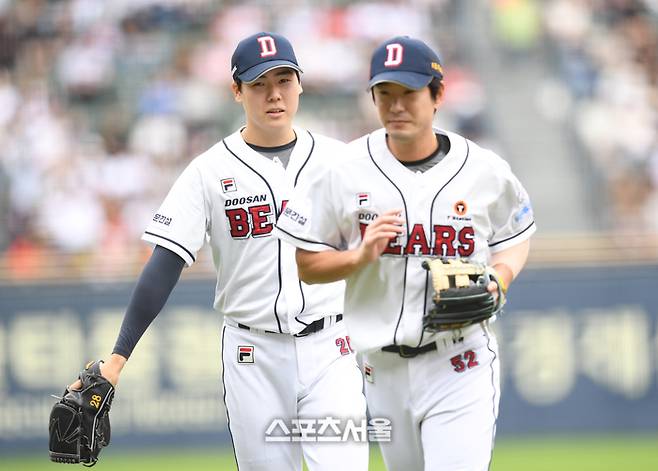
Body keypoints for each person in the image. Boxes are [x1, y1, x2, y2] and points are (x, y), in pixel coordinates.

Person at [69, 32, 368, 471]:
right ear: (236, 90)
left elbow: (384, 244)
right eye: (259, 83)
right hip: (253, 354)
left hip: (332, 348)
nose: (274, 94)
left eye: (284, 80)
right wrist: (117, 358)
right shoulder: (209, 171)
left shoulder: (338, 161)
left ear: (300, 84)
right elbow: (164, 265)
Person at [274, 36, 536, 470]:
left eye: (408, 94)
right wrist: (359, 257)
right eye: (385, 94)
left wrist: (500, 277)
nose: (396, 106)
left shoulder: (484, 171)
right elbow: (306, 265)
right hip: (383, 368)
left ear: (438, 96)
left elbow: (515, 235)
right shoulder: (342, 171)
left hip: (461, 360)